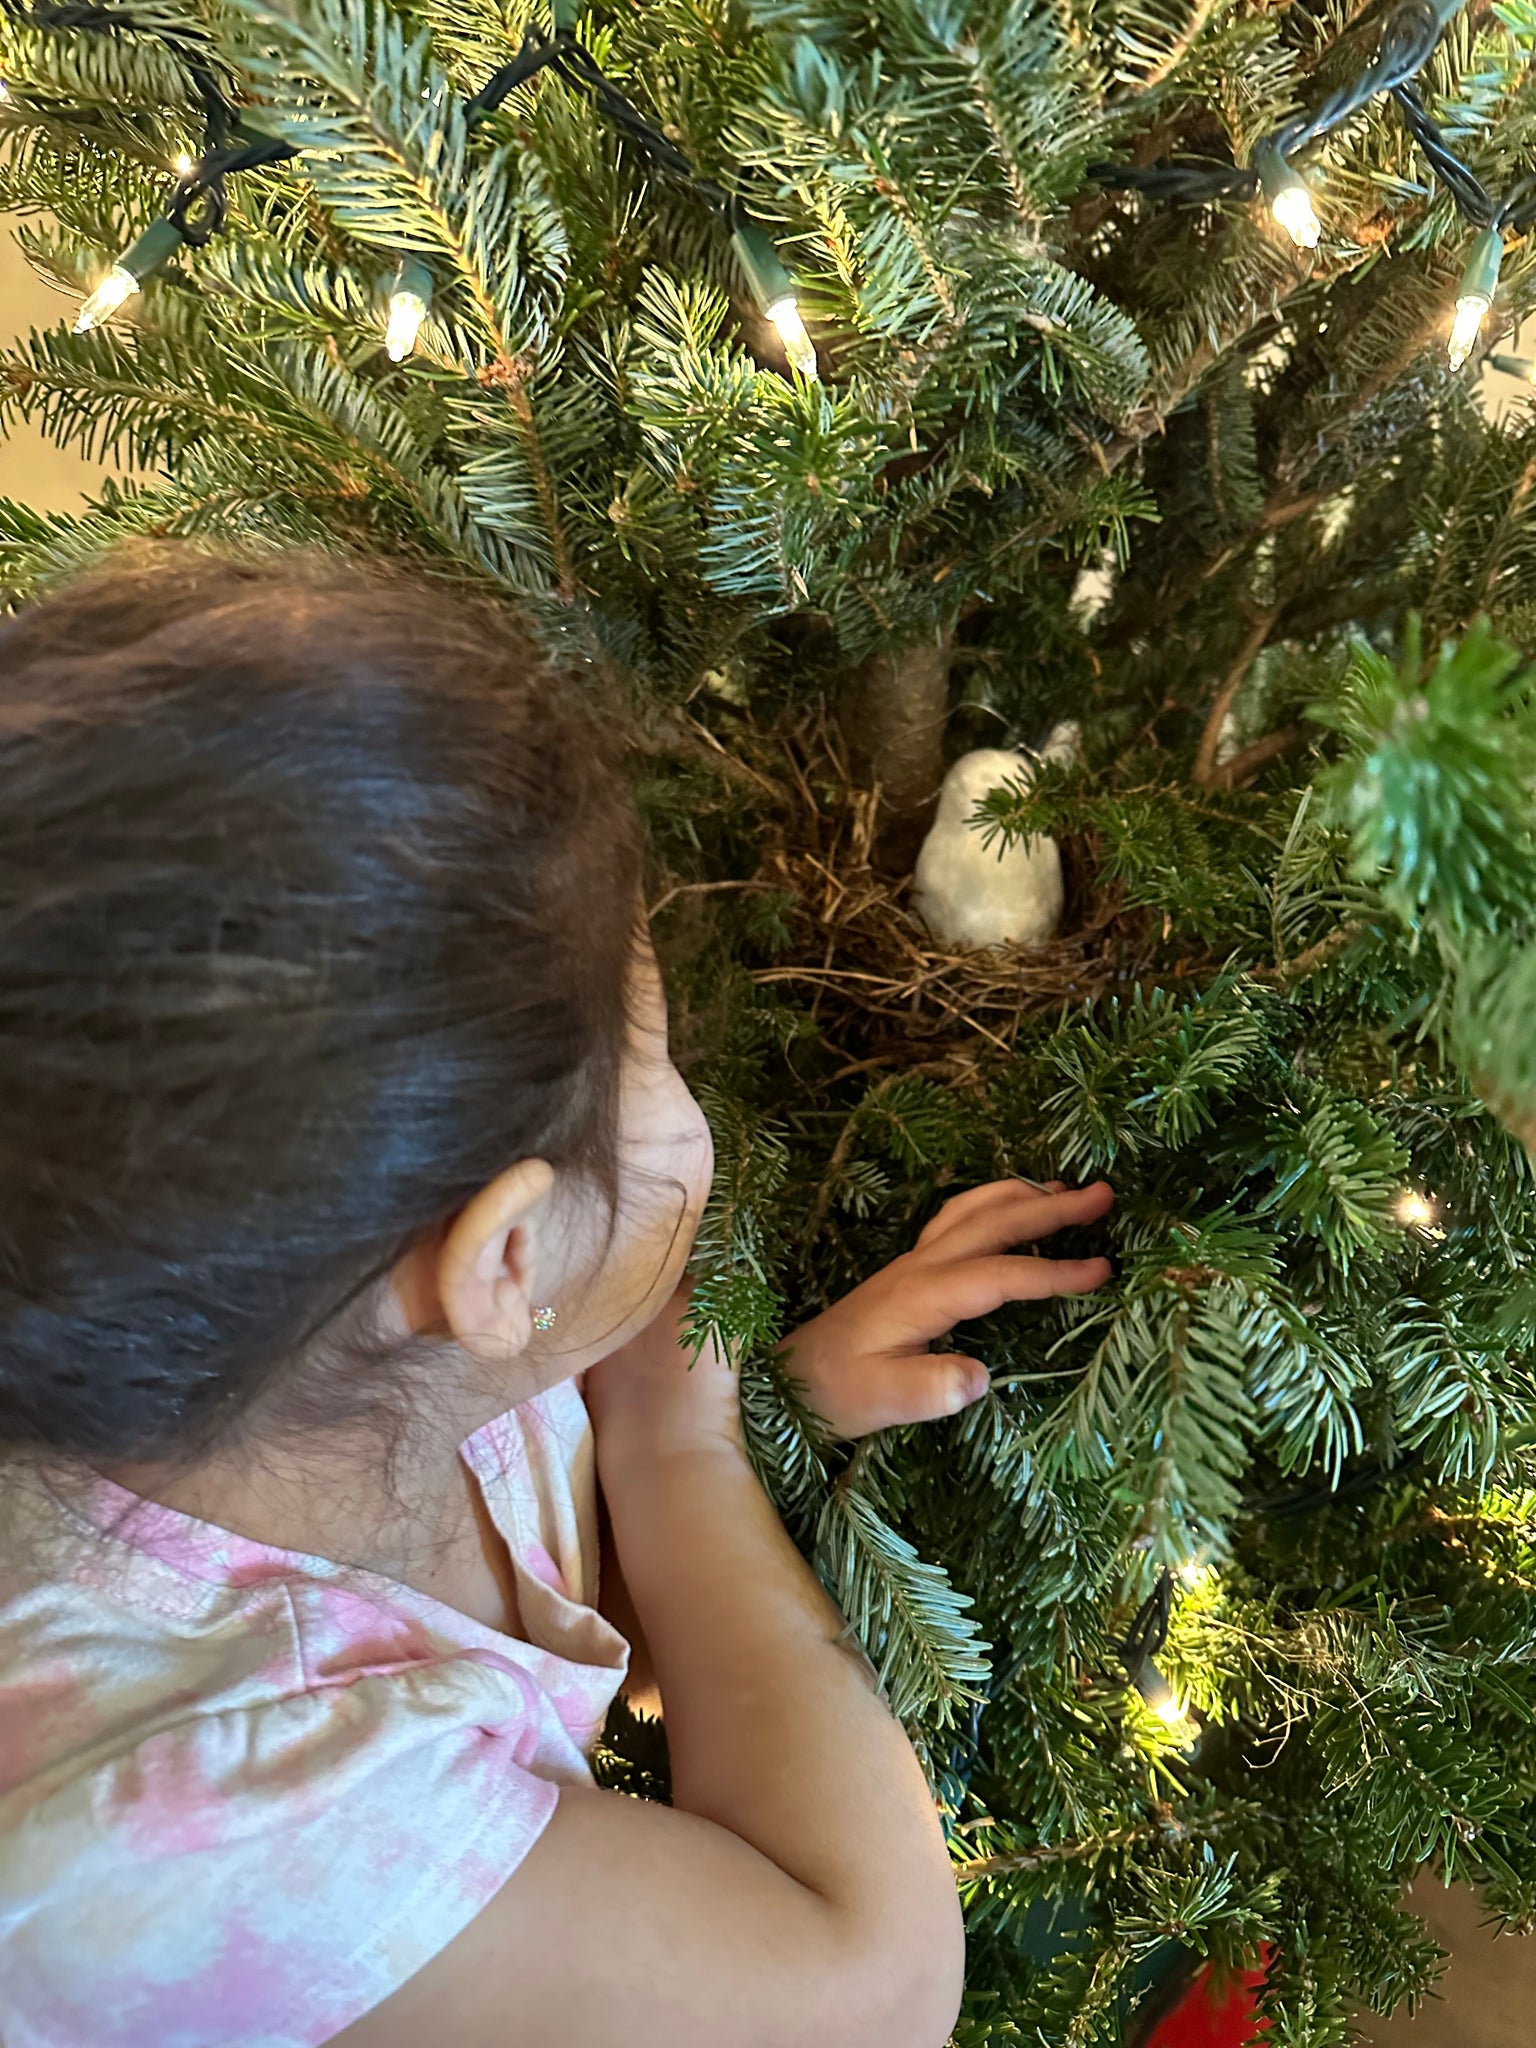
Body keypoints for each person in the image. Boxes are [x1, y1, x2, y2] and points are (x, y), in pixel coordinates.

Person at [0, 543, 1116, 2048]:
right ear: (501, 1265)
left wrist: (761, 1402)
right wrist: (681, 1441)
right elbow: (870, 1984)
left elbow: (522, 1594)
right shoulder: (210, 1820)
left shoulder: (257, 1356)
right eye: (650, 1060)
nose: (679, 1089)